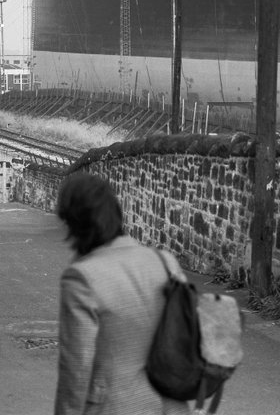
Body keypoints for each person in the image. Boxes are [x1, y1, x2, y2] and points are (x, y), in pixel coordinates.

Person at [54, 172, 189, 415]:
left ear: (73, 222)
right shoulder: (165, 262)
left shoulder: (81, 278)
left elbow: (76, 368)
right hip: (172, 404)